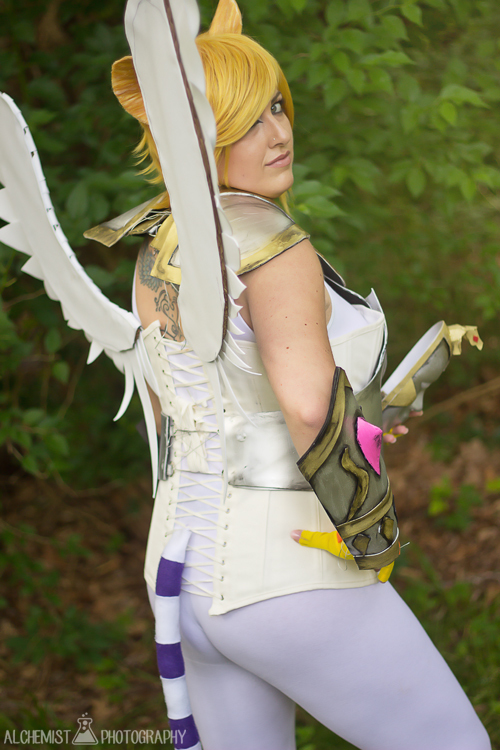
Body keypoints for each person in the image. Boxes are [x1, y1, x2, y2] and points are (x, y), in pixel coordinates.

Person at [102, 1, 490, 748]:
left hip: (180, 578)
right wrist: (372, 532)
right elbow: (309, 410)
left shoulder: (155, 245)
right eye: (245, 122)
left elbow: (188, 412)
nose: (277, 133)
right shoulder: (273, 245)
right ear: (196, 136)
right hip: (287, 575)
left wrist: (363, 418)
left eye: (276, 107)